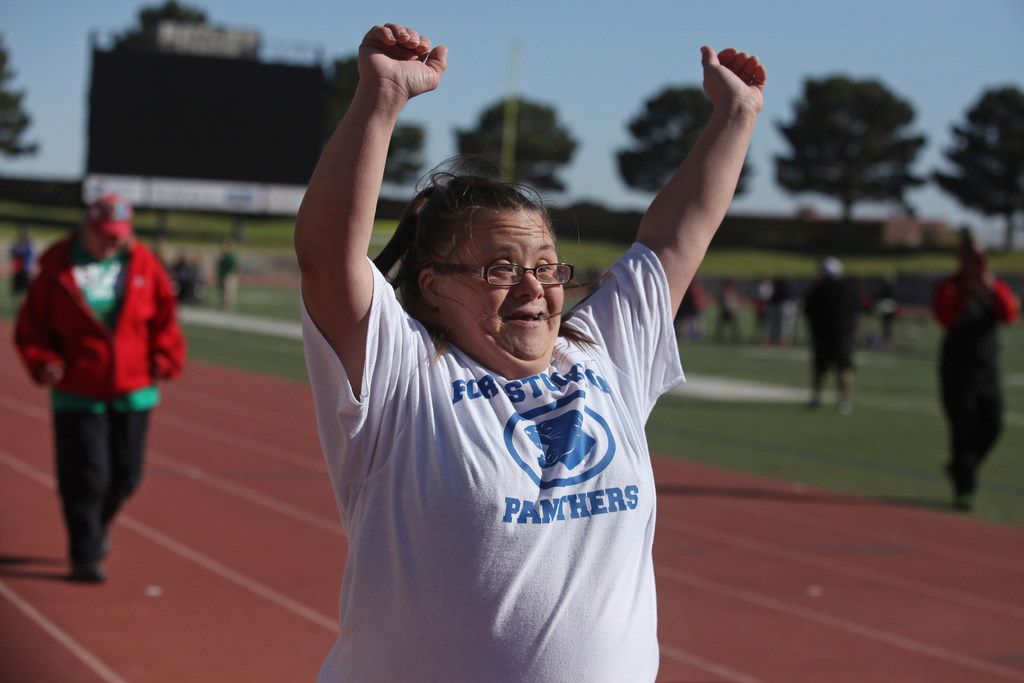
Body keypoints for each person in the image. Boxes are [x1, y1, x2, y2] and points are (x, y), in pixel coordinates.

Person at [295, 23, 764, 681]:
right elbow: (326, 257)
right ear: (431, 286)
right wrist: (381, 97)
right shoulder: (405, 377)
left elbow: (671, 240)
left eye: (547, 266)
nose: (535, 288)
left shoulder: (602, 360)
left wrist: (736, 116)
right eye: (499, 268)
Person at [13, 193, 185, 582]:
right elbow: (32, 329)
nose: (112, 241)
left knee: (126, 476)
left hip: (134, 389)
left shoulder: (143, 263)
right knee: (86, 475)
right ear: (87, 228)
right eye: (105, 233)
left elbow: (165, 321)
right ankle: (84, 554)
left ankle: (95, 530)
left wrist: (164, 358)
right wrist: (45, 363)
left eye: (119, 234)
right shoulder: (57, 267)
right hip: (78, 391)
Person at [932, 230, 1019, 510]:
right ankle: (964, 489)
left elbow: (1010, 315)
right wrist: (965, 292)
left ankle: (961, 467)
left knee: (993, 423)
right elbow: (946, 318)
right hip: (956, 370)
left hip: (987, 368)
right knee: (962, 429)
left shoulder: (993, 287)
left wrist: (990, 289)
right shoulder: (949, 287)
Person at [804, 256, 859, 414]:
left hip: (823, 336)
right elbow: (856, 311)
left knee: (820, 369)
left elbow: (809, 311)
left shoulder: (818, 288)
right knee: (844, 368)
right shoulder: (848, 289)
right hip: (844, 335)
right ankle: (843, 400)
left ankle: (816, 398)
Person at [9, 224, 37, 308]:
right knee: (15, 290)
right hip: (18, 270)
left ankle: (26, 306)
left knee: (27, 290)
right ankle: (16, 306)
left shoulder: (29, 244)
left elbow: (31, 255)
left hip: (26, 270)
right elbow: (12, 252)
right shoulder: (18, 244)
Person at [714, 278, 742, 343]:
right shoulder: (724, 291)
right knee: (721, 325)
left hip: (731, 311)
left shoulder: (733, 291)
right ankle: (719, 337)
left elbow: (735, 302)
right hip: (724, 311)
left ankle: (735, 337)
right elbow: (721, 301)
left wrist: (733, 308)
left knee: (734, 326)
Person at [216, 237, 240, 309]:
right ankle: (225, 307)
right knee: (222, 294)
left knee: (228, 294)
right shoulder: (223, 256)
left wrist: (233, 276)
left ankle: (229, 308)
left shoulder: (232, 256)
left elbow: (236, 267)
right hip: (222, 276)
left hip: (229, 276)